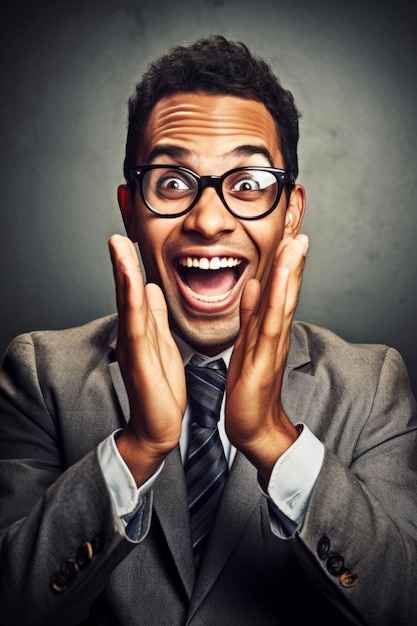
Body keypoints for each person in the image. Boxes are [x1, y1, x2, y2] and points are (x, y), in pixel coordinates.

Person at [0, 35, 416, 626]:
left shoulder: (371, 386)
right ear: (130, 208)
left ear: (290, 211)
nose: (209, 220)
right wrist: (137, 449)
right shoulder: (40, 374)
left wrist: (275, 441)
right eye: (172, 182)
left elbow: (403, 604)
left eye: (247, 185)